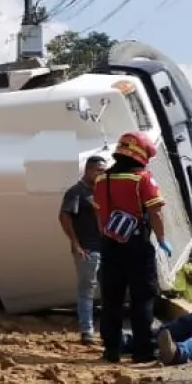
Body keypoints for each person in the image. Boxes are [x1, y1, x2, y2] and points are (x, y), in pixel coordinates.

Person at [92, 131, 173, 363]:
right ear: (141, 154)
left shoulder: (101, 180)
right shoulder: (142, 179)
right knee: (142, 299)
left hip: (110, 245)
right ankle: (142, 350)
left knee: (112, 300)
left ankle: (112, 350)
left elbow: (99, 213)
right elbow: (155, 212)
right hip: (137, 247)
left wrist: (107, 237)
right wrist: (162, 239)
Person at [59, 156, 108, 345]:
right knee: (87, 289)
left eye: (104, 171)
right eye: (98, 170)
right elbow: (64, 217)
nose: (101, 174)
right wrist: (75, 243)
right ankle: (87, 330)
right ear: (88, 170)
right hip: (88, 248)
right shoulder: (76, 192)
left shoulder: (102, 192)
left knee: (108, 290)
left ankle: (107, 330)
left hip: (106, 249)